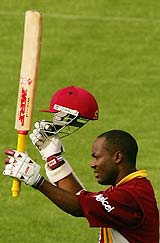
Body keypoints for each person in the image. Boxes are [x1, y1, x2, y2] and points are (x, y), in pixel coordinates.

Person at [3, 87, 159, 243]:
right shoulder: (128, 189)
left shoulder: (130, 197)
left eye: (96, 157)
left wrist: (37, 181)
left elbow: (78, 207)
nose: (92, 164)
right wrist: (53, 159)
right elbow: (80, 198)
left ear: (117, 157)